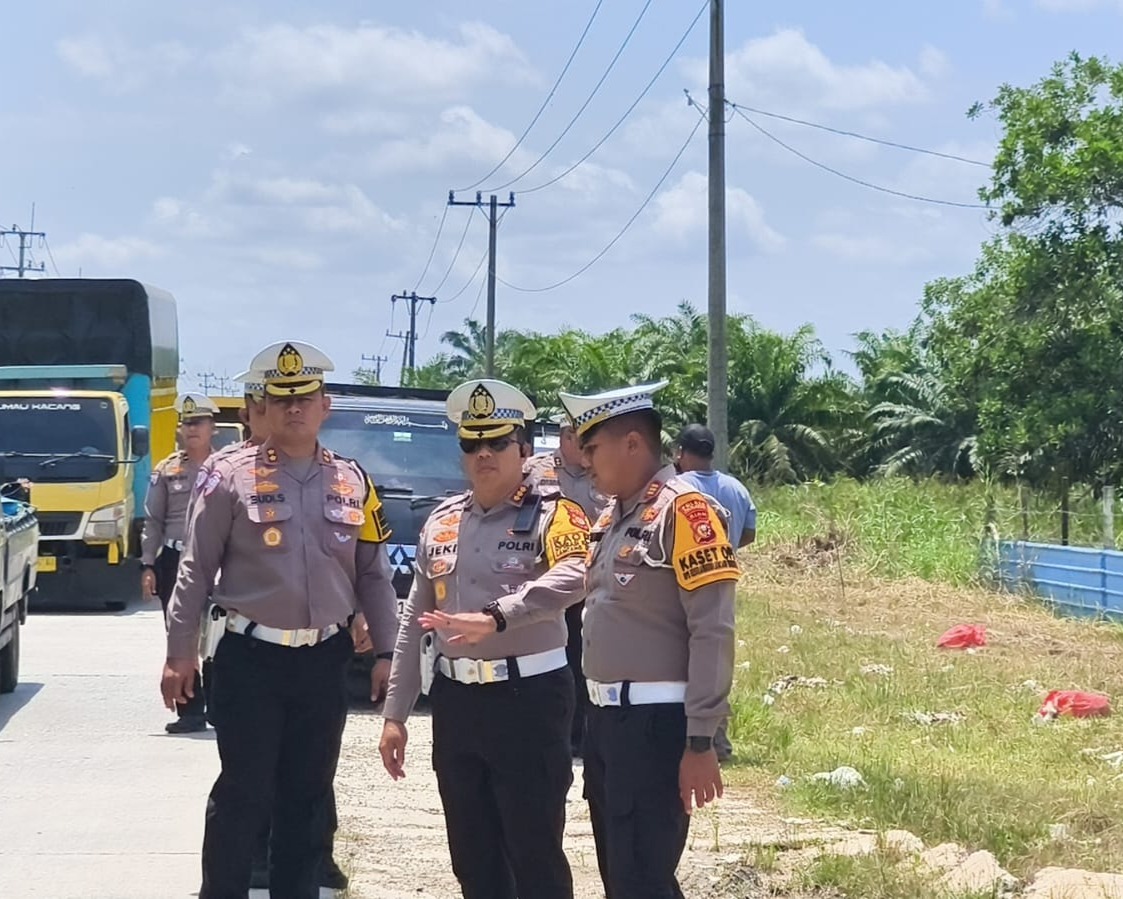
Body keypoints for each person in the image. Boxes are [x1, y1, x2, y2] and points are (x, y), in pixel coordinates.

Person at [162, 341, 399, 899]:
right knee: (244, 794)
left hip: (324, 659)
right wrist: (178, 653)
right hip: (251, 658)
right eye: (281, 398)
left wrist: (387, 651)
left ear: (326, 405)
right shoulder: (227, 477)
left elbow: (372, 574)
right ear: (265, 406)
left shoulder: (352, 481)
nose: (294, 408)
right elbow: (195, 570)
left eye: (306, 398)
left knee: (308, 796)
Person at [380, 379, 590, 899]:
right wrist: (394, 715)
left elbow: (578, 572)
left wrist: (499, 615)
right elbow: (414, 621)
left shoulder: (555, 513)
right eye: (472, 444)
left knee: (534, 850)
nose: (484, 455)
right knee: (471, 855)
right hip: (457, 701)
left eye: (497, 442)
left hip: (529, 700)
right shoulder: (442, 521)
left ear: (524, 449)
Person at [559, 381, 739, 899]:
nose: (585, 461)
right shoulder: (616, 515)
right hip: (608, 723)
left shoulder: (685, 512)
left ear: (633, 444)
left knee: (643, 879)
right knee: (623, 877)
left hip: (656, 726)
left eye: (592, 448)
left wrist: (701, 739)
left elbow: (713, 628)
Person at [525, 412, 609, 756]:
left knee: (583, 659)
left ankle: (580, 734)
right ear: (566, 438)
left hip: (592, 584)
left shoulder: (603, 472)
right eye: (580, 436)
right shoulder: (534, 470)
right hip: (546, 581)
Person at [673, 423, 757, 763]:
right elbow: (749, 533)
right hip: (723, 581)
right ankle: (717, 739)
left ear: (680, 453)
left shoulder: (676, 487)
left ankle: (690, 738)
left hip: (682, 585)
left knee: (682, 660)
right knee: (717, 659)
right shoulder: (736, 488)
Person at [141, 392, 217, 734]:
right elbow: (152, 520)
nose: (191, 429)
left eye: (198, 422)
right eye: (186, 423)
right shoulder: (167, 469)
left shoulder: (227, 466)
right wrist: (147, 564)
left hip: (219, 558)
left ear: (212, 427)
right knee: (181, 632)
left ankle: (221, 705)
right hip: (176, 557)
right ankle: (190, 711)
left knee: (219, 634)